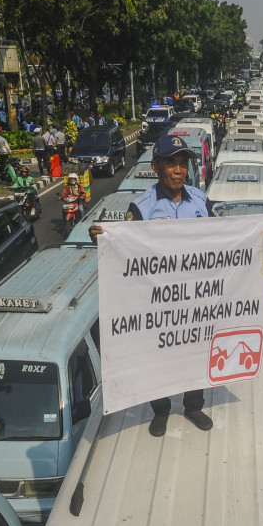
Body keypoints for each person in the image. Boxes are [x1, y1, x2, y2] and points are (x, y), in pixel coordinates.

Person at [89, 134, 214, 437]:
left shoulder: (200, 200)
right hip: (157, 300)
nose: (178, 170)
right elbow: (127, 249)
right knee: (158, 356)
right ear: (156, 167)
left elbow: (223, 237)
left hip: (194, 299)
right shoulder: (142, 206)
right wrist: (103, 239)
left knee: (195, 352)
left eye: (183, 164)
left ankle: (193, 406)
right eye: (171, 164)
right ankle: (161, 410)